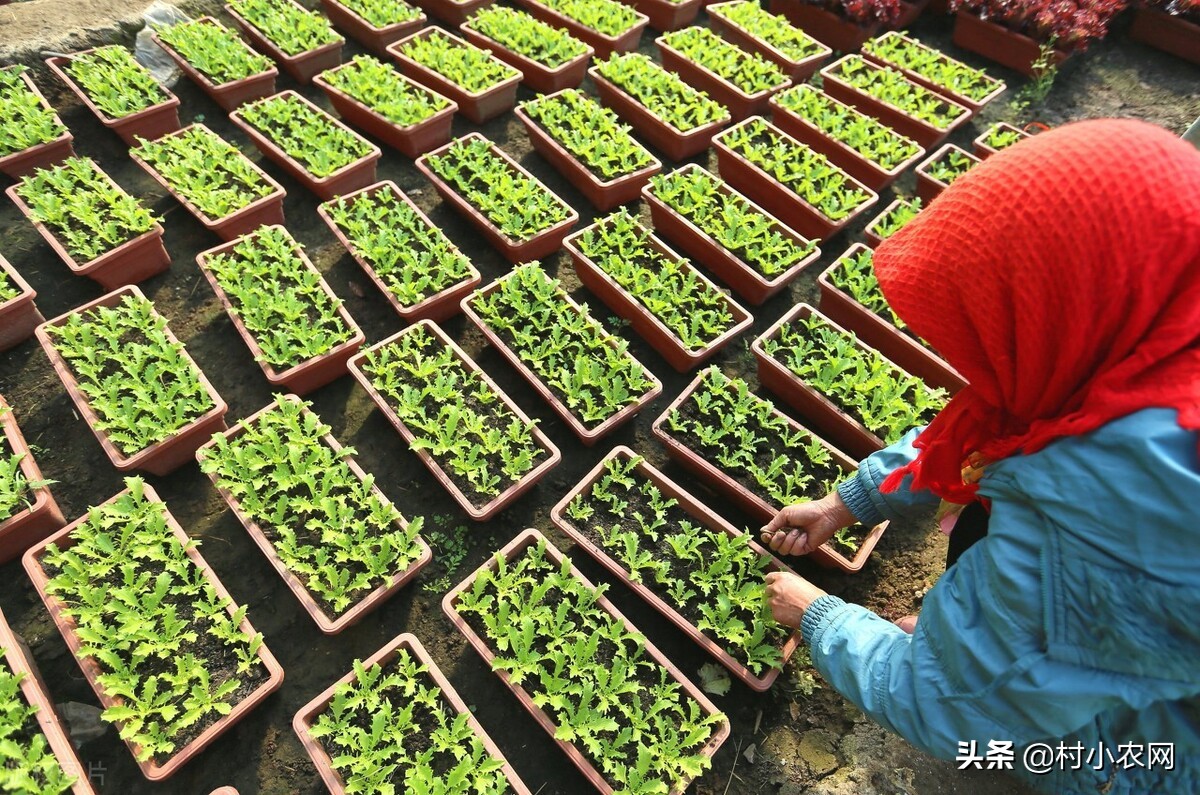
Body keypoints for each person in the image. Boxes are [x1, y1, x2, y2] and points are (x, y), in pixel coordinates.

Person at [758, 118, 1200, 794]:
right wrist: (847, 503)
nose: (969, 367)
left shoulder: (1099, 527)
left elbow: (948, 710)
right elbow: (988, 432)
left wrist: (819, 615)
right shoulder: (1149, 354)